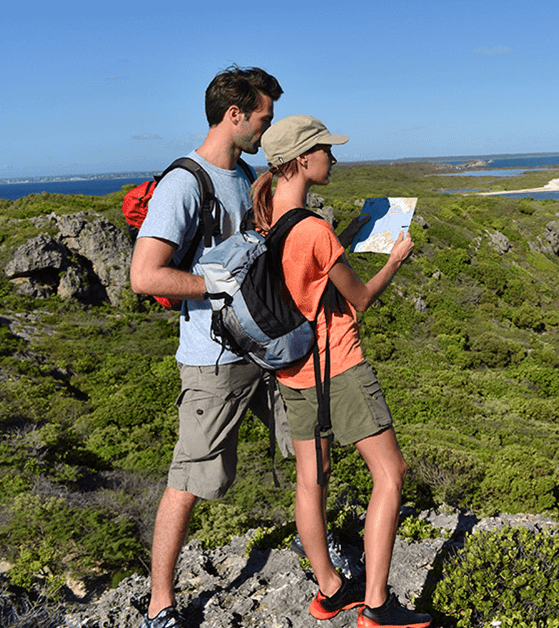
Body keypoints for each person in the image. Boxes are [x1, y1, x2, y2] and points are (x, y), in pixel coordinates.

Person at [254, 115, 430, 628]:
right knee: (390, 473)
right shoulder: (313, 230)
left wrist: (346, 236)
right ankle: (377, 606)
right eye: (327, 150)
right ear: (302, 160)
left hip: (294, 371)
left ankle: (329, 589)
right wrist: (395, 259)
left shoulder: (268, 219)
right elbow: (360, 300)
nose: (334, 158)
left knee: (311, 480)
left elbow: (303, 278)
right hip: (341, 365)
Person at [129, 65, 287, 628]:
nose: (266, 130)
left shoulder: (246, 176)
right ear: (235, 114)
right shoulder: (183, 183)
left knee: (312, 446)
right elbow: (145, 276)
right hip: (213, 360)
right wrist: (209, 283)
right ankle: (160, 603)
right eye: (263, 118)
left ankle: (326, 557)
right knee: (192, 478)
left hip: (266, 349)